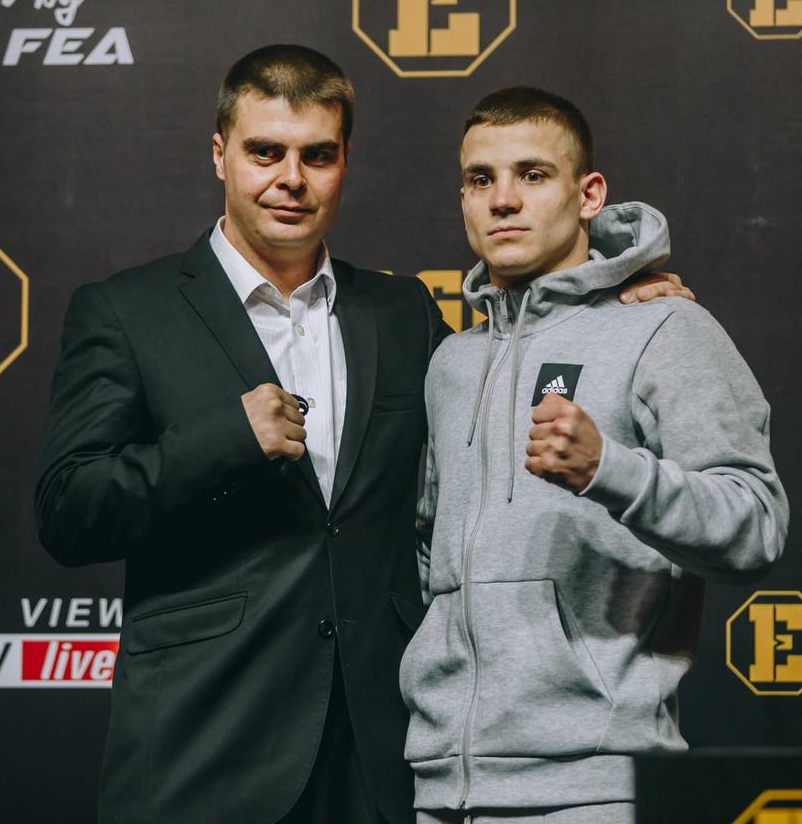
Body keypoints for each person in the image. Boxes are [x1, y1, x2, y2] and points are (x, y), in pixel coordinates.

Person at [35, 48, 692, 824]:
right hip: (202, 746)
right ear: (220, 153)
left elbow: (507, 386)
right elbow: (69, 510)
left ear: (345, 160)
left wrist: (614, 289)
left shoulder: (402, 313)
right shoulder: (127, 311)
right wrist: (224, 439)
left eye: (317, 155)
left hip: (381, 753)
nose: (291, 178)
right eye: (265, 152)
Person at [402, 87, 789, 823]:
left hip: (594, 785)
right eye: (482, 179)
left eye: (533, 174)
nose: (504, 199)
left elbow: (756, 526)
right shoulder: (452, 362)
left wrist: (610, 470)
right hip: (442, 787)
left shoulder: (664, 327)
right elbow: (430, 551)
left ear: (589, 195)